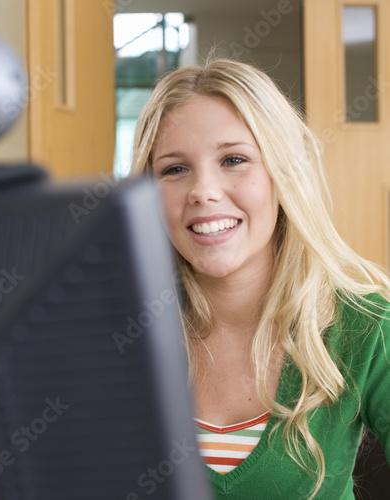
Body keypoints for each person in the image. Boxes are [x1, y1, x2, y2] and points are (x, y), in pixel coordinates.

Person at [129, 58, 390, 499]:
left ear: (282, 176)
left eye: (234, 159)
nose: (203, 191)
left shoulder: (368, 325)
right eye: (175, 169)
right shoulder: (116, 328)